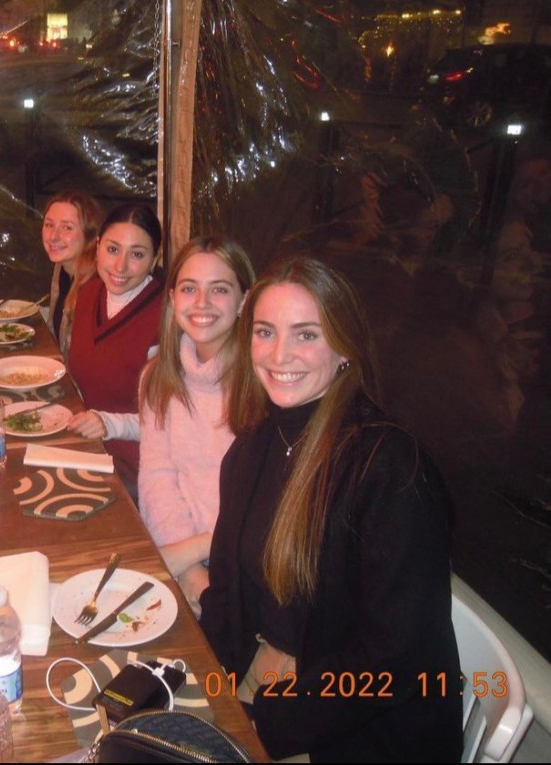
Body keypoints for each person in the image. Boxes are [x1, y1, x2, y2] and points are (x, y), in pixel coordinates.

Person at [199, 257, 462, 761]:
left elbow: (393, 660)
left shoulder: (391, 469)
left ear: (344, 346)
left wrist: (264, 723)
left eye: (306, 335)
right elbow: (227, 589)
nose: (279, 354)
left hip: (361, 729)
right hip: (273, 679)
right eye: (265, 332)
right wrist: (200, 678)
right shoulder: (254, 446)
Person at [137, 236, 254, 616]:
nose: (202, 303)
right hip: (182, 556)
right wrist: (189, 571)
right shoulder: (157, 377)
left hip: (248, 566)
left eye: (219, 289)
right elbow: (157, 477)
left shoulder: (264, 383)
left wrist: (196, 551)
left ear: (244, 301)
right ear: (172, 298)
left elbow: (266, 509)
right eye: (189, 289)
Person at [67, 203, 164, 495]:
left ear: (155, 258)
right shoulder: (89, 294)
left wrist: (108, 423)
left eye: (137, 254)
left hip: (136, 470)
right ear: (97, 247)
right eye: (112, 249)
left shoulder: (166, 317)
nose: (120, 267)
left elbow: (168, 422)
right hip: (88, 449)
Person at [41, 191, 103, 354]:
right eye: (49, 225)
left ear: (89, 235)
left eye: (67, 227)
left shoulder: (96, 286)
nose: (54, 236)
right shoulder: (61, 268)